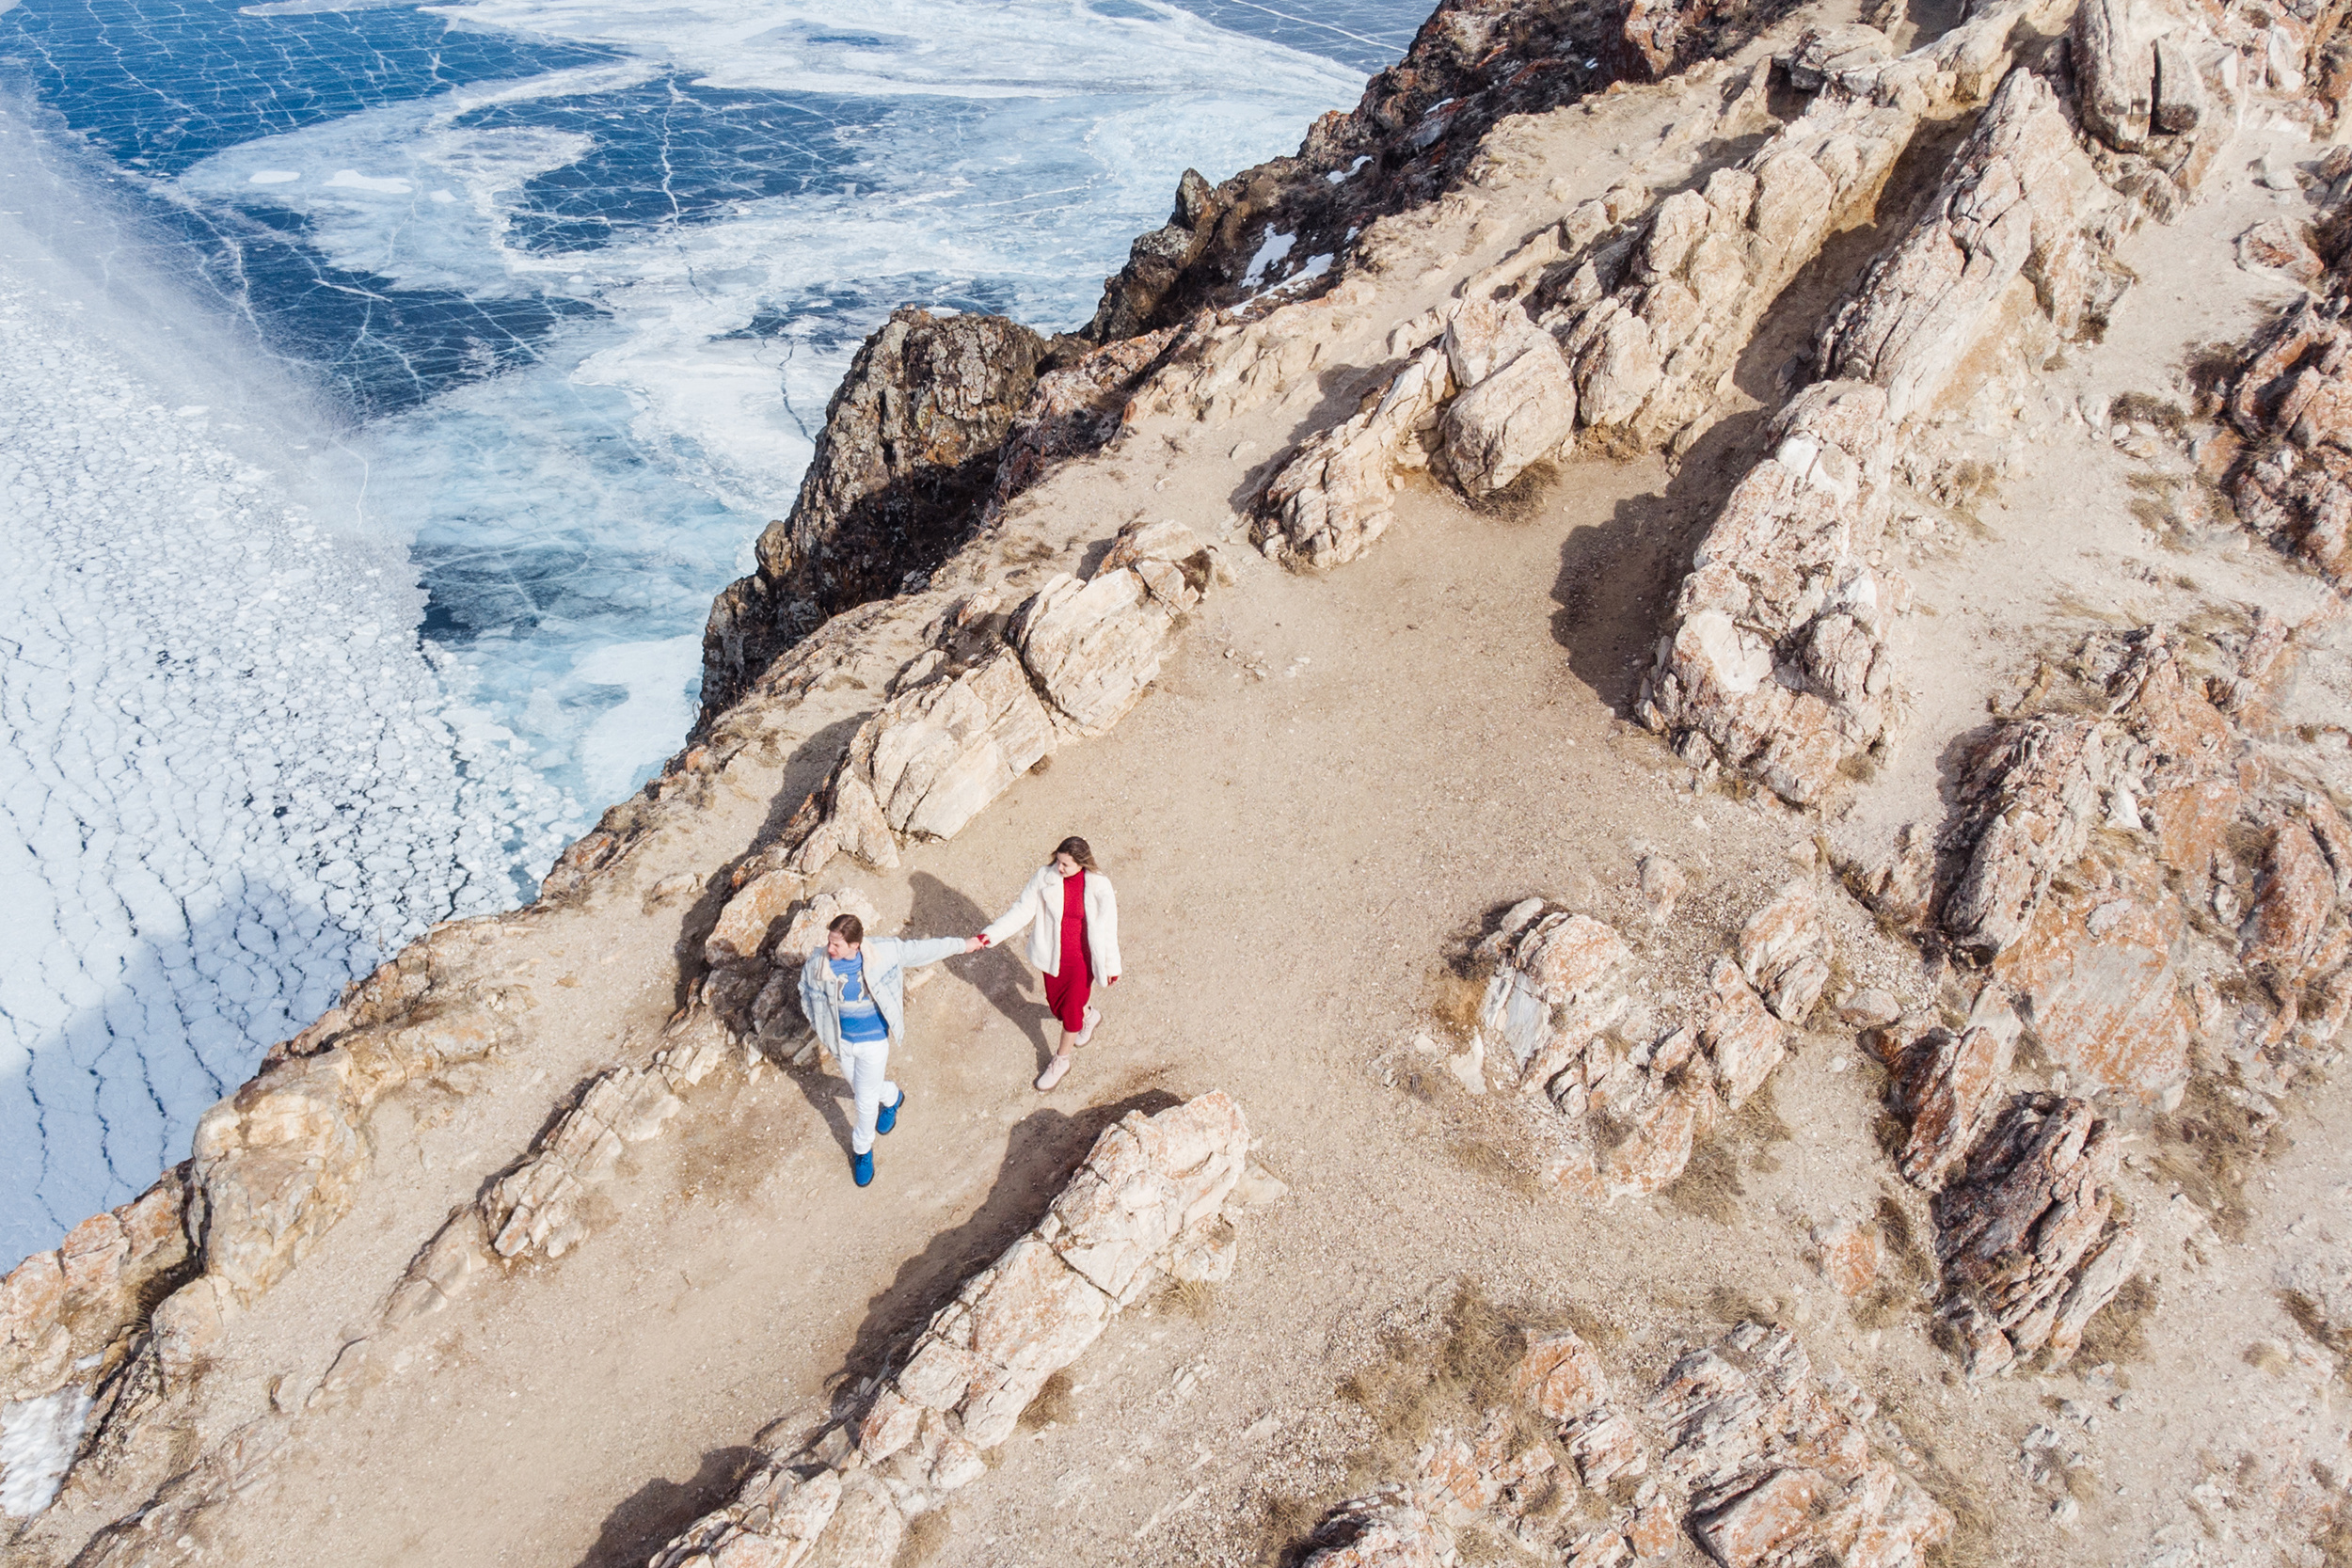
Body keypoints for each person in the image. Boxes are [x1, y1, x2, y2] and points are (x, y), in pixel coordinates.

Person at [799, 913, 982, 1187]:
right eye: (829, 941)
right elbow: (806, 992)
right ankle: (893, 1096)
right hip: (842, 1045)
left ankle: (862, 1149)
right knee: (860, 1088)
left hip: (873, 1043)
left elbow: (922, 951)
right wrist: (822, 1028)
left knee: (864, 1100)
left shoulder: (883, 952)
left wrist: (964, 945)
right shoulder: (818, 963)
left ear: (855, 945)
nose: (830, 948)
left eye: (837, 944)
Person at [978, 836, 1121, 1092]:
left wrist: (1111, 967)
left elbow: (1108, 928)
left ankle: (1061, 1060)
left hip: (1082, 960)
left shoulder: (1099, 886)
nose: (1060, 868)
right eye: (1058, 861)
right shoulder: (1045, 877)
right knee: (1058, 1006)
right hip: (1053, 958)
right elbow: (1022, 910)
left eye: (1066, 864)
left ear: (1082, 864)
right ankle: (1089, 1015)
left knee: (1068, 1011)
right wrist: (991, 935)